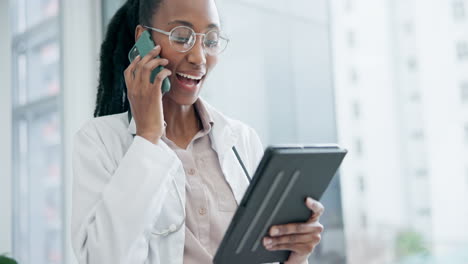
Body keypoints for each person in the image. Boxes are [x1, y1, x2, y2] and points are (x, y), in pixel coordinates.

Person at [71, 0, 324, 263]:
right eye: (181, 37)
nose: (199, 57)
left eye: (211, 40)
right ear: (143, 39)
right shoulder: (99, 141)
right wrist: (147, 137)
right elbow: (100, 258)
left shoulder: (243, 139)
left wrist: (295, 255)